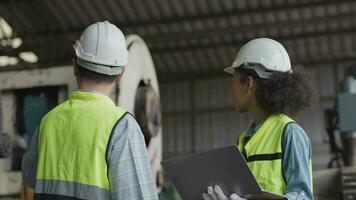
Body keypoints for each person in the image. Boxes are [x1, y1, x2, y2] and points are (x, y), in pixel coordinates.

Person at [21, 21, 159, 200]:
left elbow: (30, 178)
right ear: (120, 75)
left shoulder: (48, 122)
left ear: (75, 66)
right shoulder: (122, 126)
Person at [202, 38, 315, 200]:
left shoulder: (290, 134)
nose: (231, 92)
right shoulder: (244, 139)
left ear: (248, 84)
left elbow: (302, 197)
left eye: (233, 82)